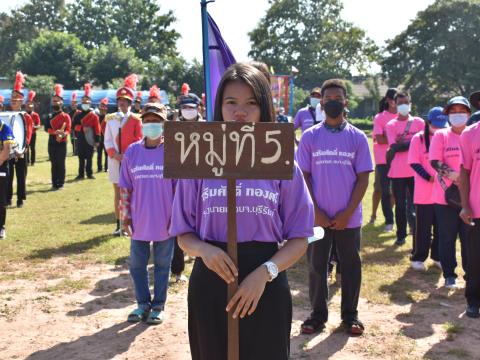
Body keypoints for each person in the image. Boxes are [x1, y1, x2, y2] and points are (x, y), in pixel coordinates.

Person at [170, 63, 314, 360]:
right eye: (231, 102)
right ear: (219, 107)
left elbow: (300, 237)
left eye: (251, 103)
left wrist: (265, 273)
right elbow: (183, 233)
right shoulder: (198, 160)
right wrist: (205, 251)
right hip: (211, 280)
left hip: (266, 280)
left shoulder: (282, 162)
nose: (240, 112)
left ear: (264, 108)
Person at [297, 79, 373, 336]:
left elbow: (364, 178)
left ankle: (350, 317)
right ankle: (317, 316)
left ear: (345, 102)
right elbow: (303, 176)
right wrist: (315, 211)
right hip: (316, 217)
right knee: (317, 267)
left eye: (337, 98)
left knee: (351, 267)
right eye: (327, 97)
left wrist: (347, 213)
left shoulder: (358, 138)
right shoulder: (310, 136)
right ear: (321, 102)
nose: (332, 101)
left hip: (348, 219)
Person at [119, 102, 175, 324]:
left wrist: (179, 219)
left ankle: (158, 305)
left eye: (157, 121)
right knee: (136, 266)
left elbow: (180, 189)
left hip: (166, 221)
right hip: (139, 221)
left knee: (163, 266)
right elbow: (125, 188)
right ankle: (142, 304)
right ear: (142, 123)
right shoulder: (132, 152)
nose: (152, 125)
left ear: (164, 124)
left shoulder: (173, 152)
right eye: (148, 121)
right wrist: (125, 217)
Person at [429, 96, 470, 289]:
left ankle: (471, 275)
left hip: (470, 197)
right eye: (453, 112)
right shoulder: (441, 135)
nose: (457, 115)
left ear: (468, 114)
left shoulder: (474, 135)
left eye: (461, 111)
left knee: (469, 238)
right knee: (446, 237)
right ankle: (449, 274)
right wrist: (452, 174)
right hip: (445, 197)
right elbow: (434, 160)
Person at [408, 107, 448, 271]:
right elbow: (414, 162)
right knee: (423, 228)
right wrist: (428, 176)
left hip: (443, 192)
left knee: (441, 227)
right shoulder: (418, 139)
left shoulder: (447, 137)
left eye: (441, 125)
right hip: (424, 192)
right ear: (428, 123)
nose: (438, 128)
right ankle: (418, 257)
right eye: (435, 125)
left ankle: (437, 257)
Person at [104, 74, 143, 236]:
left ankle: (132, 222)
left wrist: (127, 156)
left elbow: (139, 139)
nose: (122, 103)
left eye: (125, 101)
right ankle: (118, 224)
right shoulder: (111, 119)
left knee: (132, 193)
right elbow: (107, 140)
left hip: (131, 161)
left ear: (130, 103)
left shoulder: (136, 120)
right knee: (117, 194)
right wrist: (115, 155)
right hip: (115, 161)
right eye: (120, 100)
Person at [385, 91, 424, 246]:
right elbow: (394, 147)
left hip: (417, 171)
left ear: (410, 104)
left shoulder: (420, 122)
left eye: (406, 103)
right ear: (394, 104)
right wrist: (413, 143)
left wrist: (403, 145)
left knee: (418, 205)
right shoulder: (391, 125)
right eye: (400, 103)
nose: (403, 106)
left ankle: (418, 233)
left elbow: (423, 144)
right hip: (398, 172)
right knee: (400, 205)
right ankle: (401, 235)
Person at [459, 104, 480, 318]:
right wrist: (465, 204)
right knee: (475, 258)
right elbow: (464, 172)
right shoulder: (470, 134)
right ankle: (474, 300)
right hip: (477, 207)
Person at [370, 88, 397, 231]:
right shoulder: (380, 117)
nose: (396, 102)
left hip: (399, 160)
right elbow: (379, 139)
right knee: (380, 190)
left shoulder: (404, 117)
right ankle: (373, 214)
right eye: (393, 99)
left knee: (395, 192)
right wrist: (396, 139)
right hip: (383, 159)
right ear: (387, 100)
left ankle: (389, 218)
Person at [7, 71, 33, 208]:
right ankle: (8, 197)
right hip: (7, 149)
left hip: (21, 149)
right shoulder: (6, 114)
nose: (13, 100)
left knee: (21, 175)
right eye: (12, 97)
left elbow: (28, 133)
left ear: (21, 101)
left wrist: (22, 148)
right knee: (8, 175)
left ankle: (20, 199)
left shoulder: (26, 116)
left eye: (16, 98)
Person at [44, 84, 71, 190]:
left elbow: (68, 129)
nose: (55, 102)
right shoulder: (49, 116)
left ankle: (61, 183)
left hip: (62, 142)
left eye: (57, 100)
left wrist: (64, 133)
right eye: (54, 101)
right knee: (54, 163)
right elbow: (46, 129)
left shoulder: (66, 116)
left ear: (61, 102)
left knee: (61, 163)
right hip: (51, 142)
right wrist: (55, 132)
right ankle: (54, 183)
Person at [72, 83, 101, 180]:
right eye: (83, 102)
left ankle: (89, 173)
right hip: (80, 138)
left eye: (87, 102)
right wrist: (81, 128)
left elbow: (97, 128)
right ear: (81, 103)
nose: (85, 103)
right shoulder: (78, 115)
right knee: (80, 157)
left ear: (90, 103)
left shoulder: (94, 116)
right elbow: (74, 126)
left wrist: (97, 140)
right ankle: (80, 174)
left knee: (89, 157)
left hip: (90, 138)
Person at [0, 120, 15, 239]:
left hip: (1, 166)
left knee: (1, 199)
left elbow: (6, 151)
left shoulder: (4, 128)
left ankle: (1, 227)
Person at [25, 90, 41, 166]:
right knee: (26, 147)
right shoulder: (23, 114)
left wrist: (33, 126)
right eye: (27, 105)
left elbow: (39, 125)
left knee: (33, 148)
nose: (29, 107)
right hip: (25, 134)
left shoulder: (35, 115)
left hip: (33, 134)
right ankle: (27, 161)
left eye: (30, 105)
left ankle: (33, 162)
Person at [97, 97, 109, 172]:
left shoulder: (108, 118)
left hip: (106, 137)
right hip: (99, 138)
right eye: (101, 106)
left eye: (104, 106)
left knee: (106, 154)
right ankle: (99, 168)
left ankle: (106, 167)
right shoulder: (97, 117)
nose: (102, 108)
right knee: (99, 154)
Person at [69, 91, 79, 156]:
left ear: (76, 104)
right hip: (71, 129)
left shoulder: (79, 112)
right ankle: (74, 151)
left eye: (74, 104)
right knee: (72, 141)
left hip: (77, 129)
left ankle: (77, 151)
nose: (73, 105)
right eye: (72, 104)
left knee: (77, 141)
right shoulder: (69, 113)